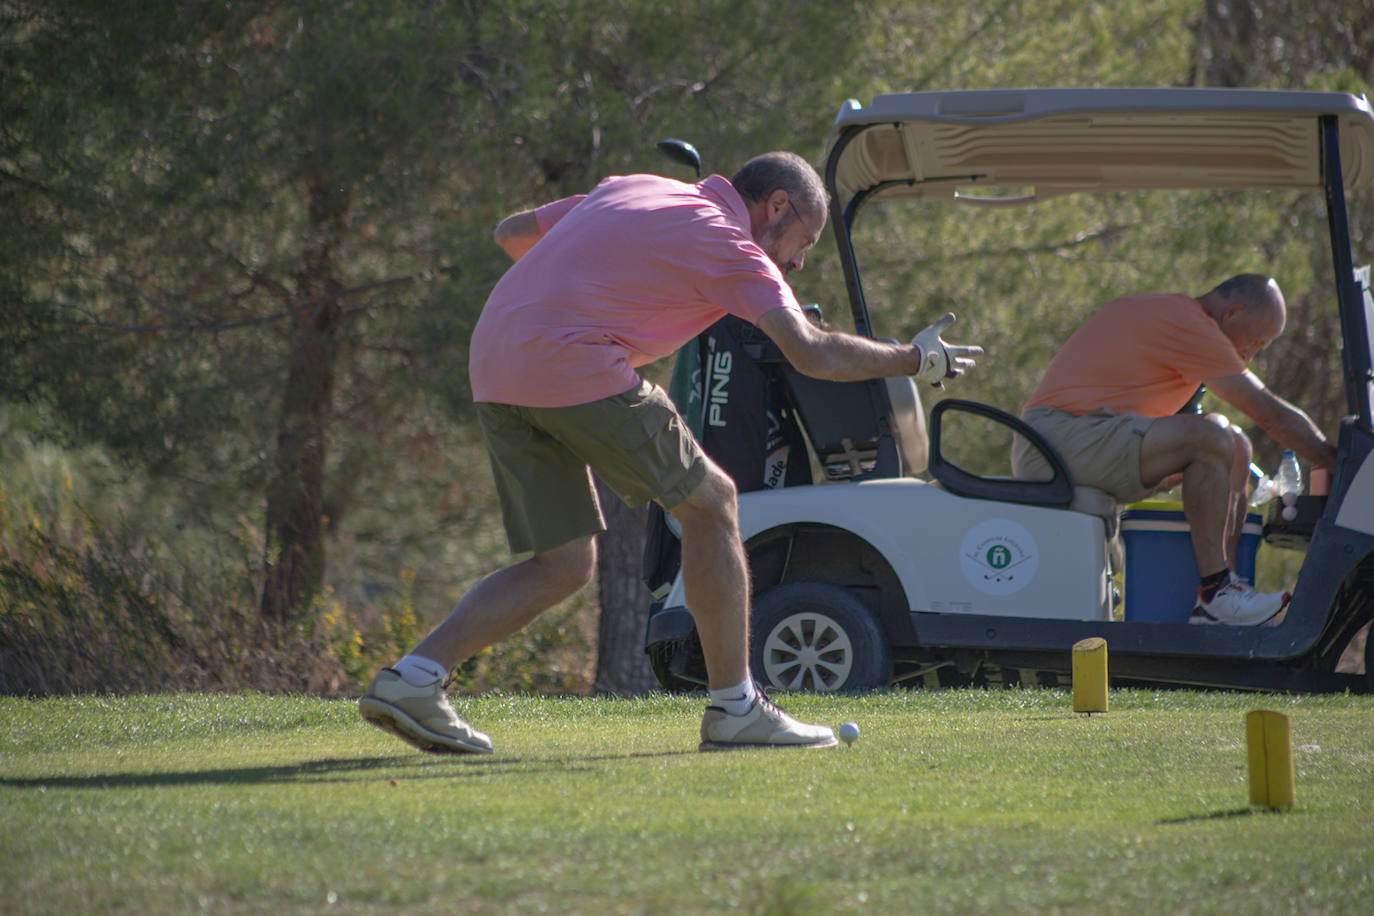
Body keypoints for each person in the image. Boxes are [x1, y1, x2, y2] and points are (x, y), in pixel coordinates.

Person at [358, 152, 982, 754]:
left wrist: (594, 291)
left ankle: (413, 678)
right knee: (712, 501)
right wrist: (915, 359)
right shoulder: (732, 245)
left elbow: (513, 233)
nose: (795, 265)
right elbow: (811, 351)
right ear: (777, 206)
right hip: (571, 361)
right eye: (804, 244)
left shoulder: (638, 187)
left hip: (495, 359)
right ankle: (736, 709)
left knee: (564, 565)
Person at [1010, 274, 1336, 626]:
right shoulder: (1187, 322)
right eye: (1255, 342)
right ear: (1232, 314)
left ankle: (1224, 592)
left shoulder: (1176, 320)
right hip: (1052, 441)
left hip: (1083, 437)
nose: (1250, 355)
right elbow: (1270, 414)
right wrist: (1337, 460)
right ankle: (1216, 593)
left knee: (1236, 445)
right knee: (1212, 436)